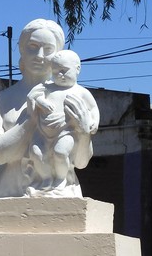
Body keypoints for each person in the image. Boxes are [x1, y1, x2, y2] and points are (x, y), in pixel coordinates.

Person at [0, 19, 96, 198]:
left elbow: (81, 163)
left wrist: (83, 133)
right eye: (33, 46)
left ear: (59, 53)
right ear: (21, 49)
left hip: (62, 194)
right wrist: (32, 119)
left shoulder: (74, 96)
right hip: (11, 194)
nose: (40, 55)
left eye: (48, 49)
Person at [25, 49, 99, 196]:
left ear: (77, 69)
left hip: (66, 131)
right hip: (42, 130)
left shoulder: (81, 92)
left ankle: (60, 179)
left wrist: (94, 122)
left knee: (60, 152)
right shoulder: (46, 87)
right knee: (36, 154)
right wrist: (41, 102)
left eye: (64, 70)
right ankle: (46, 179)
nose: (60, 74)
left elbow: (93, 108)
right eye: (55, 71)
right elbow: (32, 98)